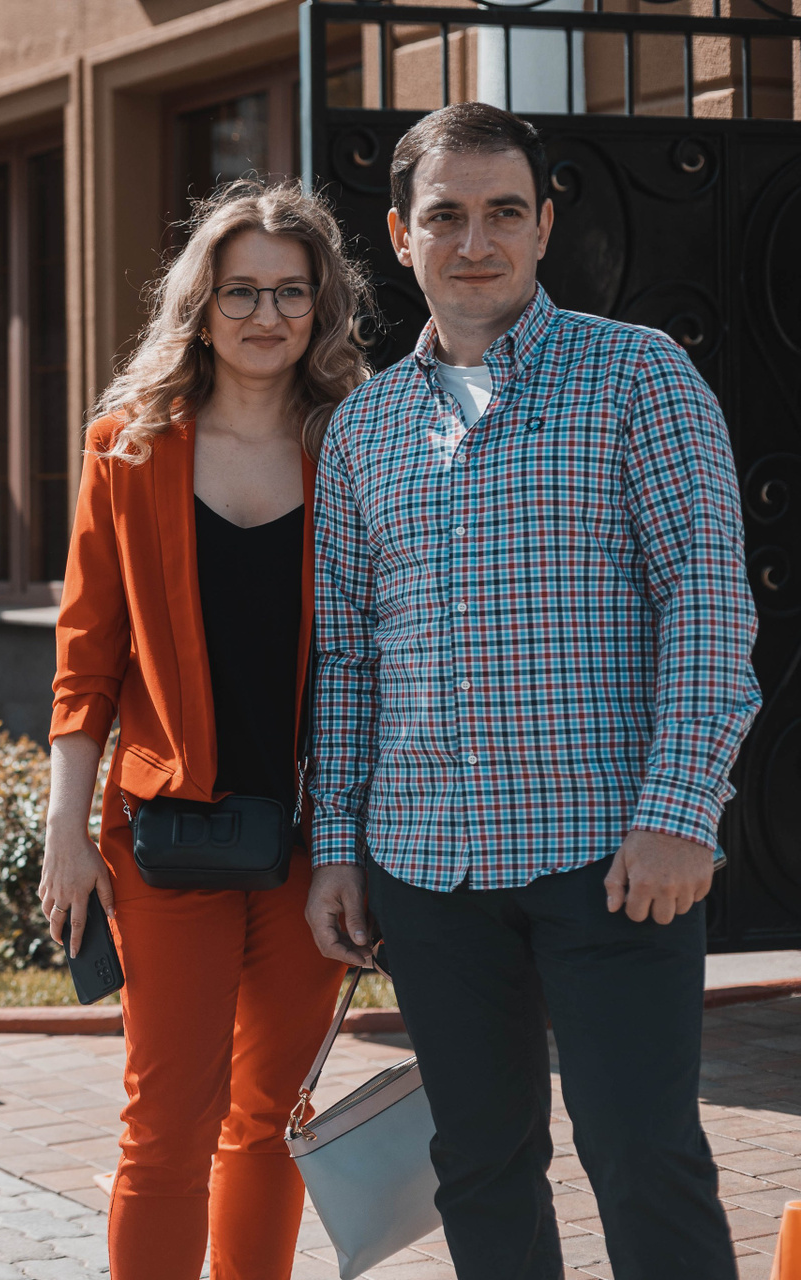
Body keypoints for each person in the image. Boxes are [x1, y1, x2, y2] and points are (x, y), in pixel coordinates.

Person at [304, 101, 761, 1280]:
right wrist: (339, 847)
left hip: (610, 857)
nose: (476, 242)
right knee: (480, 1161)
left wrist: (680, 811)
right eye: (446, 216)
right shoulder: (361, 430)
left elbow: (708, 602)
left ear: (545, 226)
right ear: (401, 235)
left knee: (644, 1154)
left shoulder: (639, 375)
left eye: (505, 212)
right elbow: (348, 658)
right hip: (428, 869)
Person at [40, 178, 372, 1279]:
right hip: (166, 834)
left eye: (291, 292)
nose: (267, 315)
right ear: (202, 302)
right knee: (167, 1123)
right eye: (242, 291)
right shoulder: (128, 449)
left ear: (322, 305)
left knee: (273, 1115)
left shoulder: (360, 444)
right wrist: (65, 831)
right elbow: (86, 658)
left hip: (315, 843)